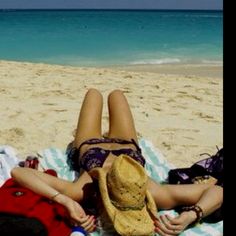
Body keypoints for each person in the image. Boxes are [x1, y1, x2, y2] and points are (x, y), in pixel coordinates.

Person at [10, 88, 223, 235]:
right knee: (117, 95)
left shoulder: (84, 192)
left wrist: (65, 200)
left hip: (91, 148)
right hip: (127, 147)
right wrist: (191, 215)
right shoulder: (155, 194)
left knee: (94, 94)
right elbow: (219, 191)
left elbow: (19, 173)